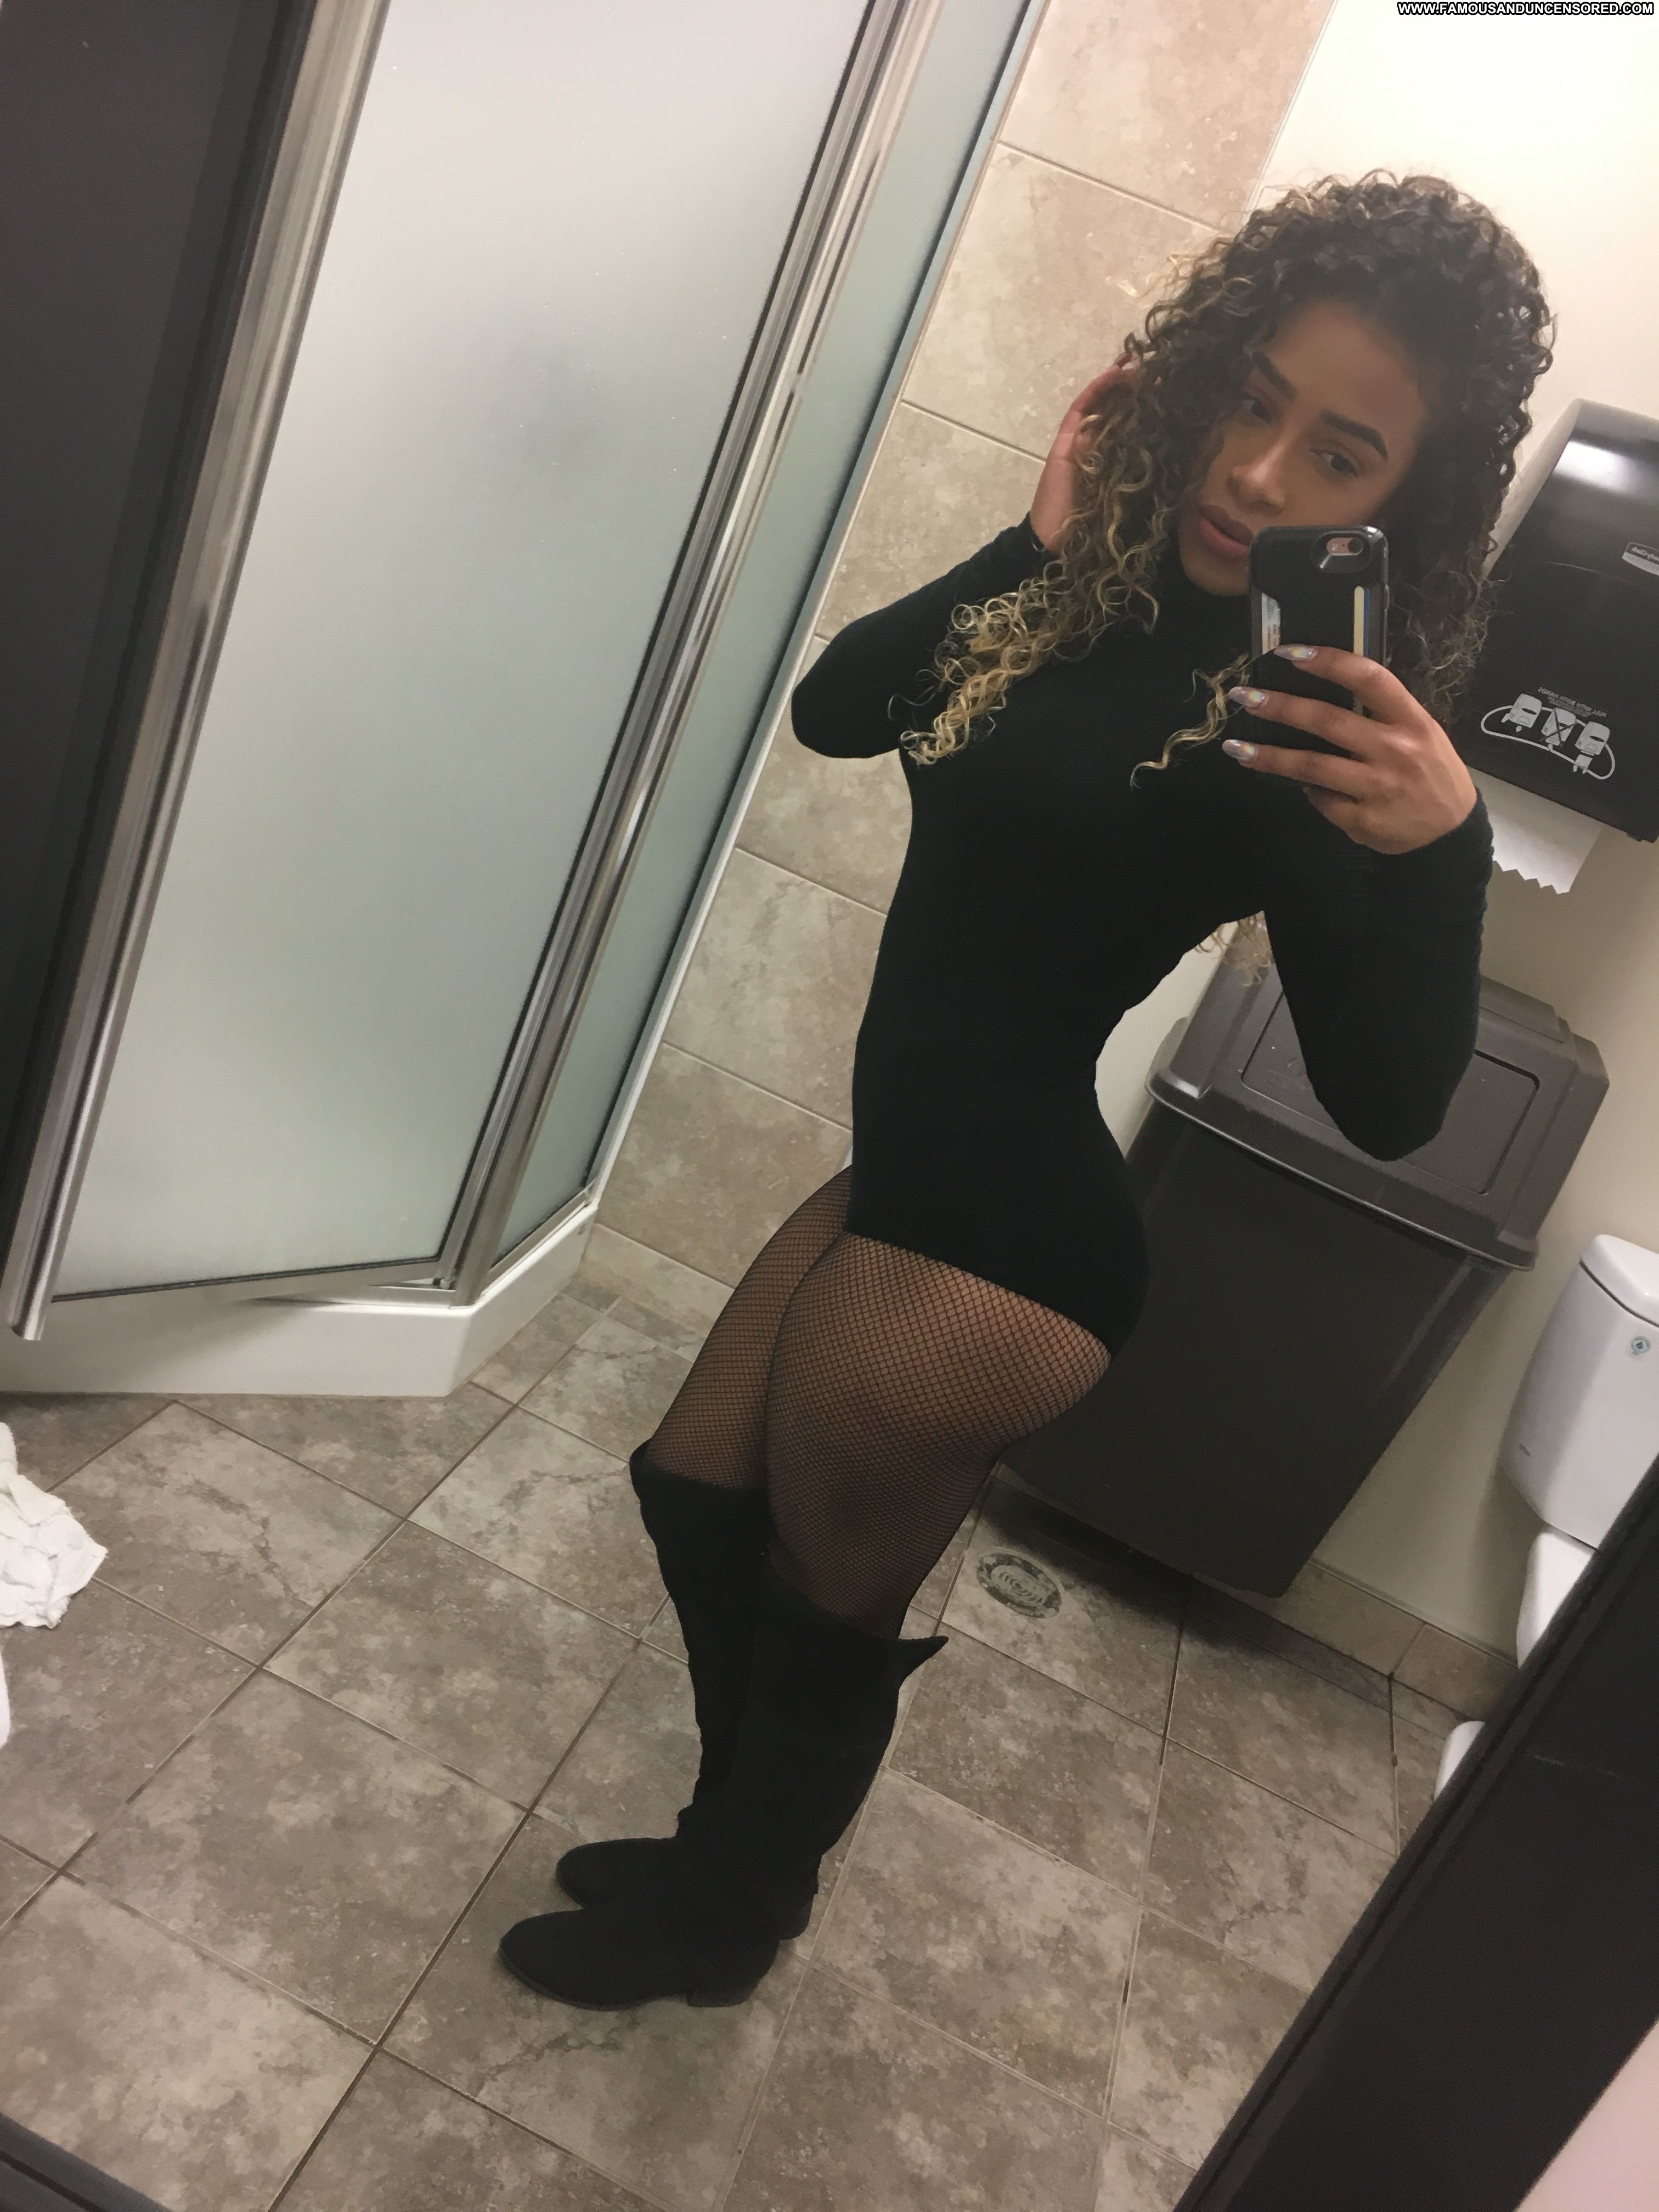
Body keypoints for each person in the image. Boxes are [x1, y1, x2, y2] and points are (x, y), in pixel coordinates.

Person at [499, 172, 1553, 2010]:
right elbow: (840, 709)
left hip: (1003, 1260)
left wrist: (1444, 850)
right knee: (696, 1491)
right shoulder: (1092, 595)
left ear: (1405, 503)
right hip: (914, 1183)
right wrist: (1034, 534)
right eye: (1253, 401)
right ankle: (730, 1858)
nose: (1259, 474)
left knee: (827, 1599)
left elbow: (1391, 1104)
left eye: (1340, 453)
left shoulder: (1297, 732)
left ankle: (731, 1911)